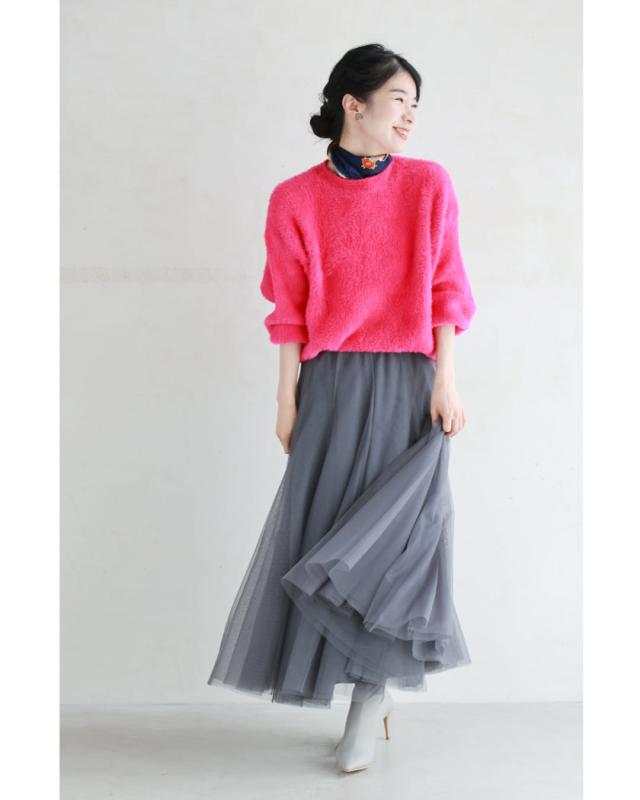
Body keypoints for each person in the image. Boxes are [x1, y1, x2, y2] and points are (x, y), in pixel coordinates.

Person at [207, 42, 477, 774]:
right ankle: (362, 694)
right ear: (353, 104)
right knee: (327, 538)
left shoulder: (428, 184)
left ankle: (370, 699)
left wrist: (445, 380)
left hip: (410, 380)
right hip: (329, 383)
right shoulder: (294, 198)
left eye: (416, 105)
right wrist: (286, 397)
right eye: (399, 101)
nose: (410, 117)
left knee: (397, 546)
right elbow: (289, 310)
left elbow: (446, 289)